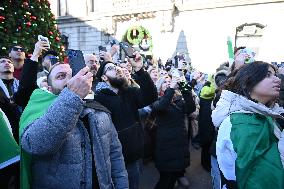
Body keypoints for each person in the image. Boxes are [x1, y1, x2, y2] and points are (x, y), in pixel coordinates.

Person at [20, 62, 129, 189]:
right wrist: (72, 96)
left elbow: (115, 156)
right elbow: (35, 145)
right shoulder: (39, 109)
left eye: (73, 75)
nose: (71, 80)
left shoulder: (99, 110)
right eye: (61, 76)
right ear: (49, 88)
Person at [212, 62, 284, 189]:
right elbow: (264, 181)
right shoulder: (244, 123)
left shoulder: (258, 115)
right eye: (267, 75)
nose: (277, 79)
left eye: (275, 74)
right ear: (248, 81)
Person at [95, 51, 158, 189]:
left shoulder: (129, 92)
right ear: (104, 77)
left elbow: (151, 96)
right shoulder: (98, 99)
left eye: (116, 66)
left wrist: (139, 70)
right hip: (114, 160)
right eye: (111, 68)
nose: (117, 69)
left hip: (135, 155)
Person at [152, 75, 195, 189]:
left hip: (179, 144)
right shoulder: (156, 100)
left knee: (172, 179)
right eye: (165, 82)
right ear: (160, 86)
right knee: (165, 181)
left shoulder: (178, 100)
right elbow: (162, 106)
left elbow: (191, 108)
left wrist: (184, 88)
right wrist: (171, 88)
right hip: (166, 146)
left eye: (170, 82)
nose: (168, 83)